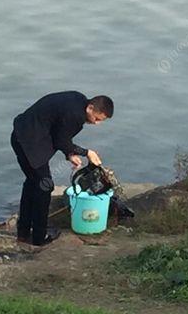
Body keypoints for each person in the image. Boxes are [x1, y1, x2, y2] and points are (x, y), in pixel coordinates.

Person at [10, 90, 114, 246]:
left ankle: (23, 233)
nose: (96, 123)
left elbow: (60, 132)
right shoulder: (76, 116)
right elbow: (61, 140)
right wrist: (87, 153)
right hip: (28, 142)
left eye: (101, 121)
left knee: (33, 183)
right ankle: (39, 237)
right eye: (97, 118)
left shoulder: (77, 99)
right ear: (90, 108)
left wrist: (69, 154)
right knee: (45, 187)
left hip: (23, 132)